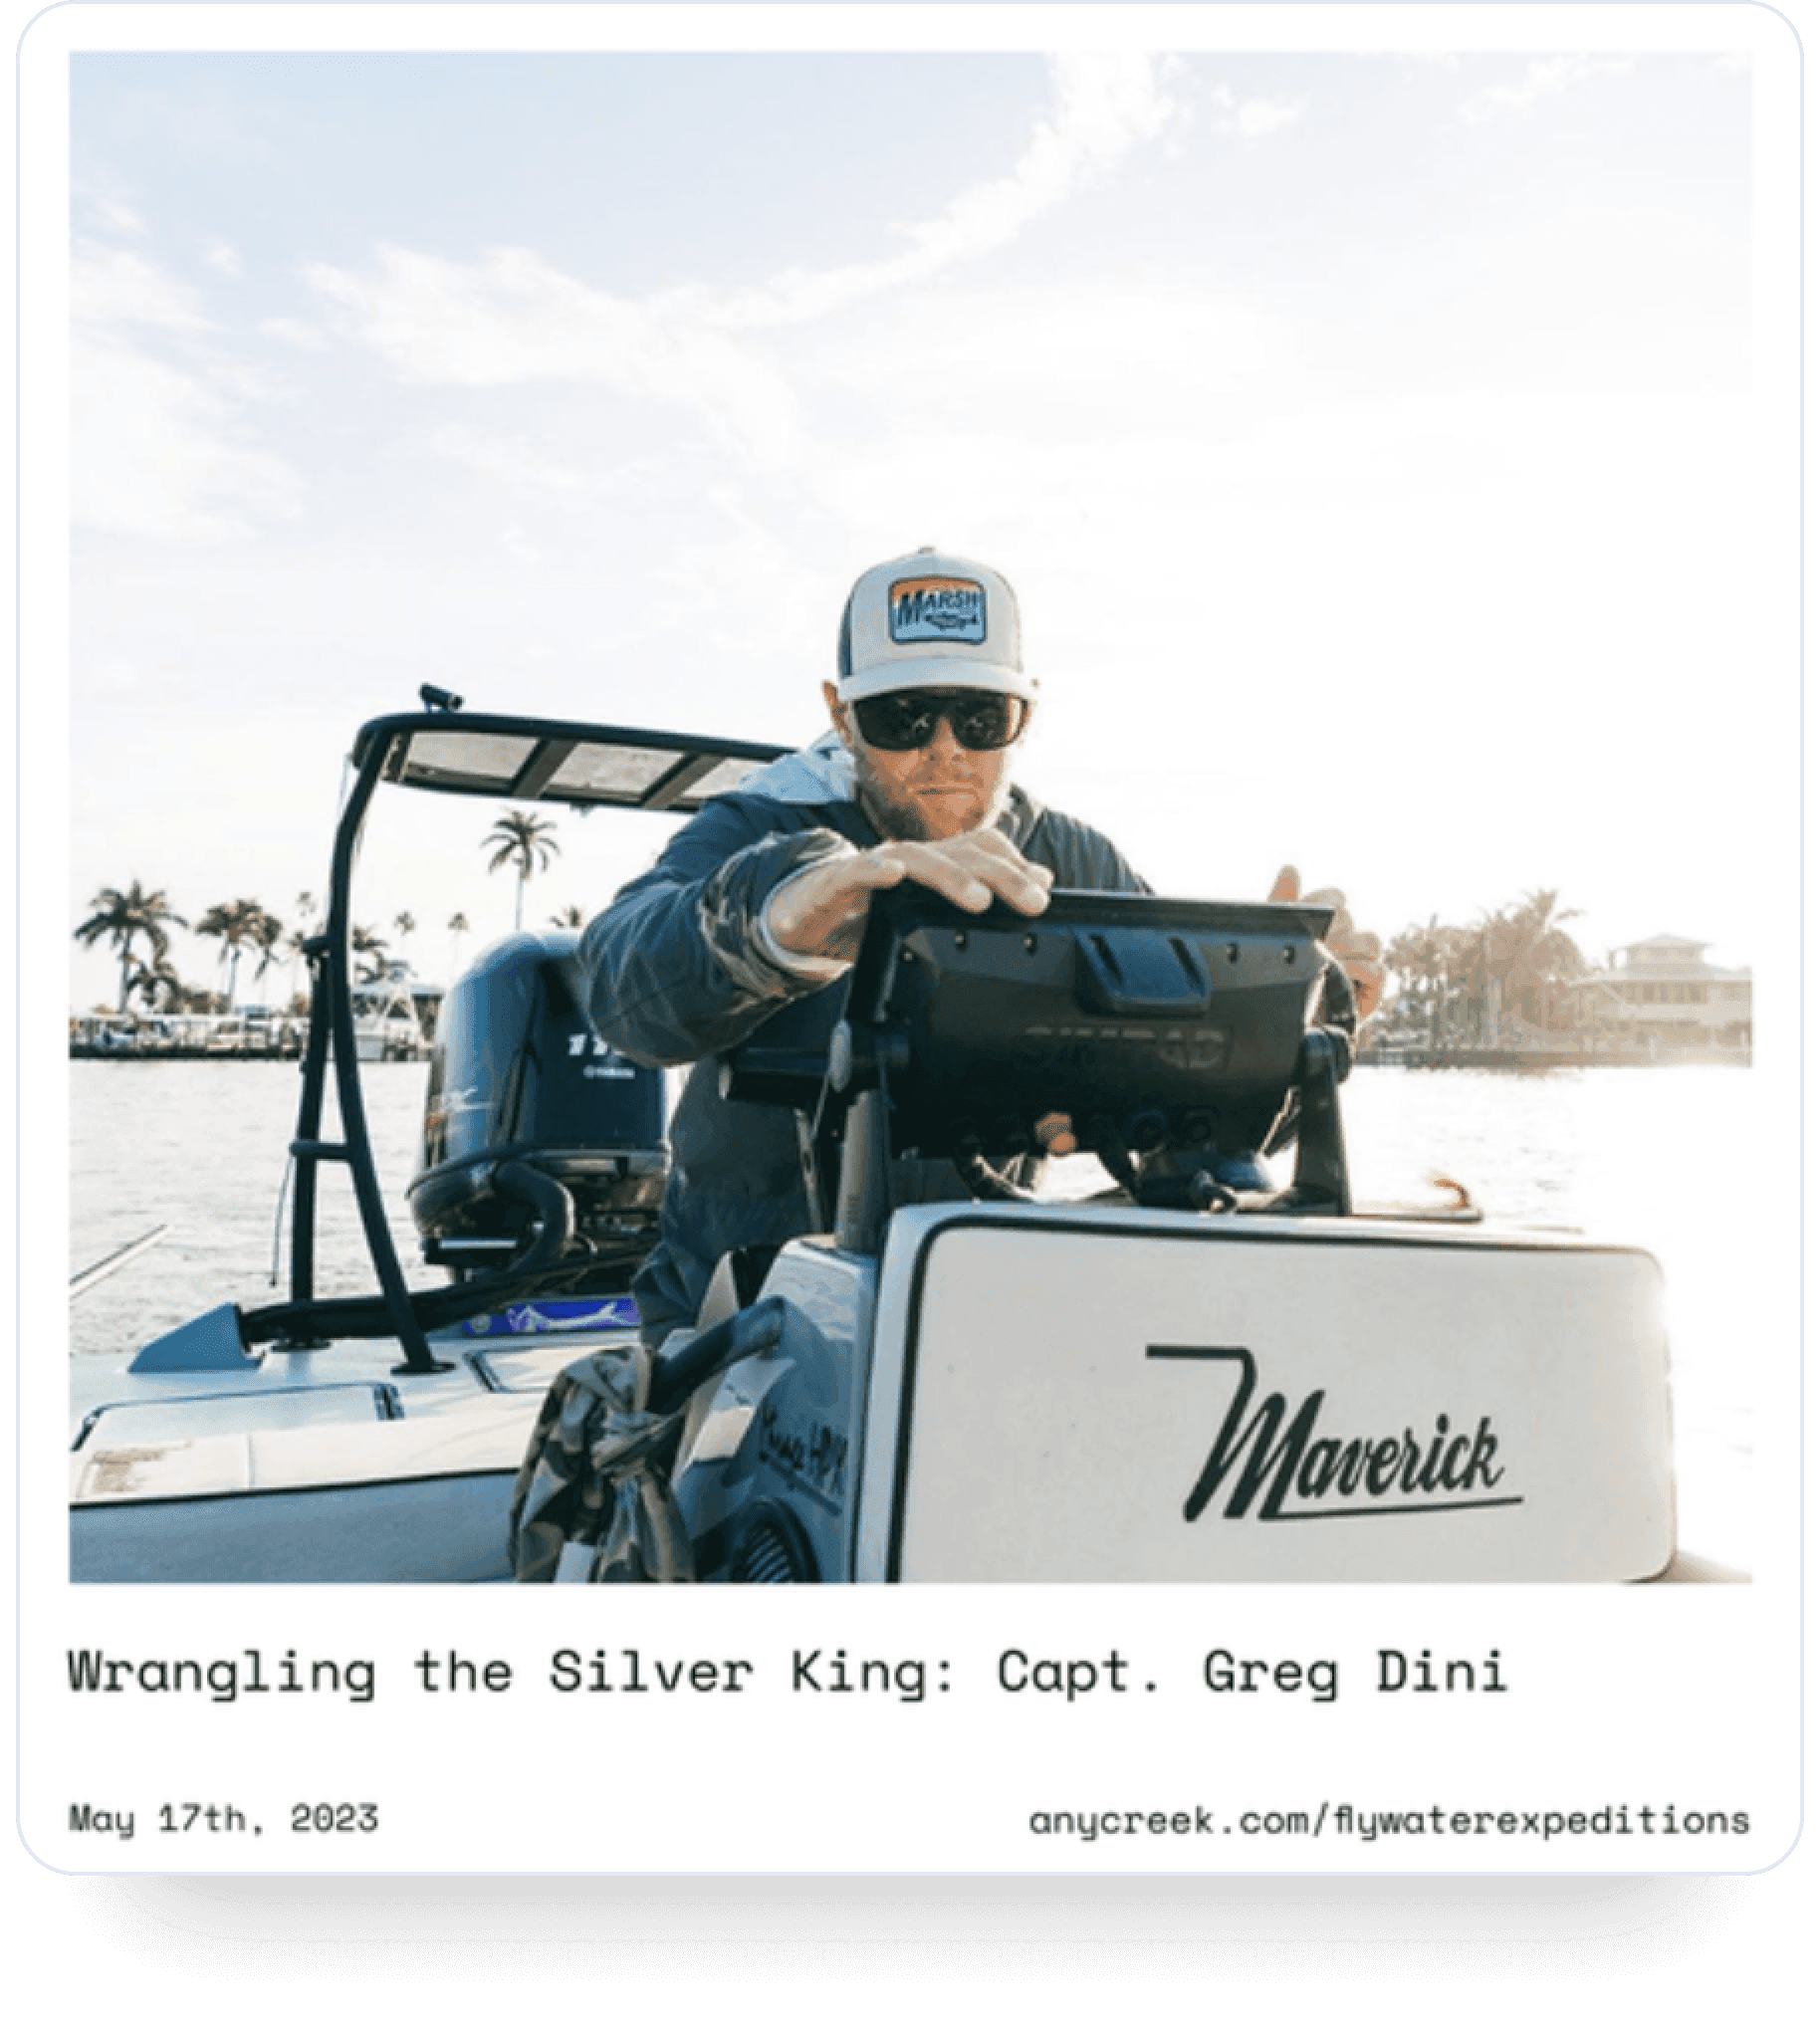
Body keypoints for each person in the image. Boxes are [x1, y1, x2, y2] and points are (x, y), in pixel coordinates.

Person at [580, 548, 1382, 1347]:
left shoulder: (1073, 860)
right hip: (743, 1317)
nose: (944, 748)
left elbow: (1209, 1125)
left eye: (979, 717)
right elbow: (618, 993)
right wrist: (785, 915)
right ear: (840, 714)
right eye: (901, 717)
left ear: (1023, 717)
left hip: (977, 1322)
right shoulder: (757, 825)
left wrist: (1289, 1025)